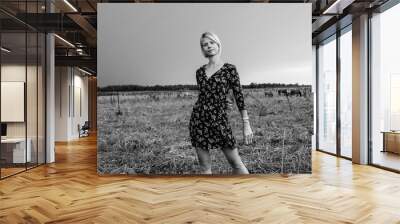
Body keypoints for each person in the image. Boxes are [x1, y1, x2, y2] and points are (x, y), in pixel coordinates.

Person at [189, 32, 254, 175]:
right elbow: (205, 95)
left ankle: (250, 192)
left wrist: (246, 123)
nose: (208, 46)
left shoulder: (230, 69)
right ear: (202, 49)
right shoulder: (199, 72)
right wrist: (222, 100)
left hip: (219, 120)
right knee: (205, 168)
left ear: (218, 45)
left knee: (237, 165)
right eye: (205, 44)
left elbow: (239, 96)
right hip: (199, 120)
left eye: (211, 42)